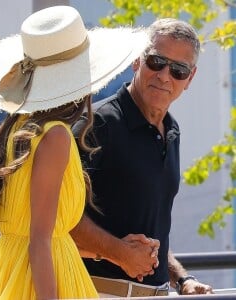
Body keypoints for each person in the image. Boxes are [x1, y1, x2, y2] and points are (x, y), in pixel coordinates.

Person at [0, 5, 153, 300]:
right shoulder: (55, 135)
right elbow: (40, 241)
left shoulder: (20, 128)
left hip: (12, 273)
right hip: (45, 281)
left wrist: (116, 254)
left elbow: (45, 236)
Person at [71, 18, 214, 297]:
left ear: (190, 78)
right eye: (157, 61)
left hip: (159, 293)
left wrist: (182, 279)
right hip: (98, 292)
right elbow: (57, 218)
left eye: (178, 70)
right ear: (137, 60)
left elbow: (151, 229)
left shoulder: (171, 130)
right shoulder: (96, 124)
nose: (164, 76)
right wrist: (119, 253)